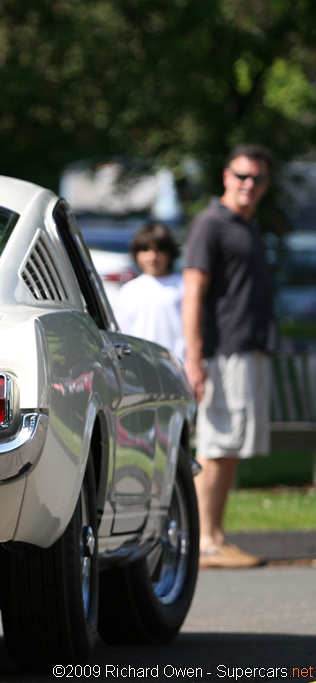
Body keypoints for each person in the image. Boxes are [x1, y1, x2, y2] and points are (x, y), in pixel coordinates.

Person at [182, 144, 279, 568]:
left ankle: (216, 535)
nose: (248, 184)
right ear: (226, 176)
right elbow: (192, 293)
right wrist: (194, 357)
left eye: (256, 178)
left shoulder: (247, 226)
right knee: (217, 442)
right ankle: (204, 540)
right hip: (223, 351)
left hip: (249, 348)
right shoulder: (211, 224)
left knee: (231, 444)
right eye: (241, 176)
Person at [113, 222, 185, 361]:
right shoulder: (129, 290)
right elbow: (122, 333)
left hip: (180, 365)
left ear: (170, 253)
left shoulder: (183, 286)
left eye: (159, 250)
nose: (152, 257)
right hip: (142, 366)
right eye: (145, 250)